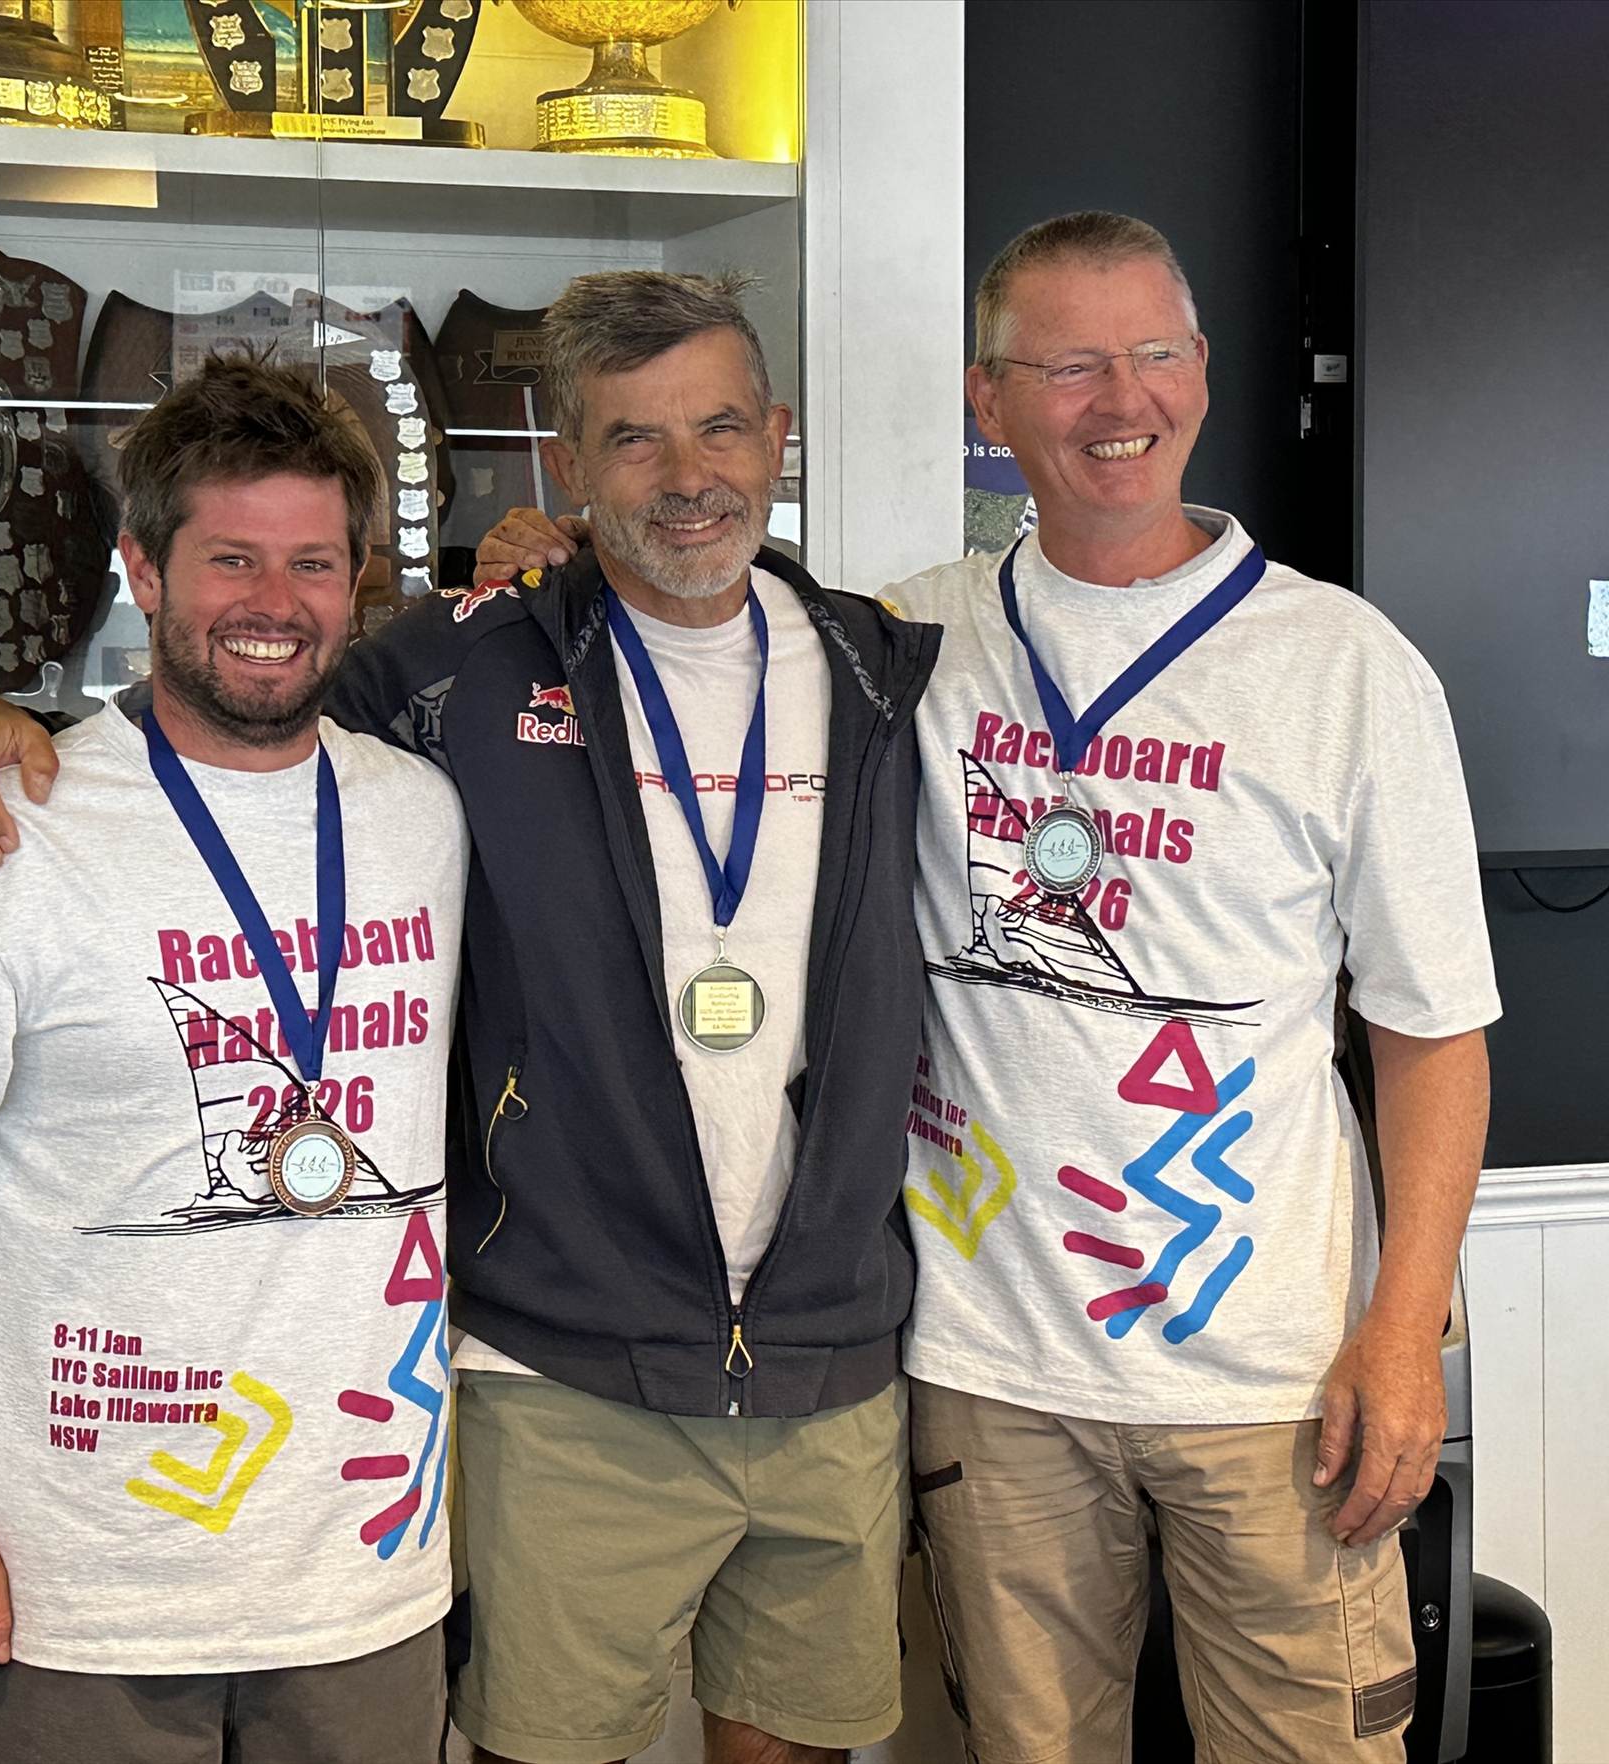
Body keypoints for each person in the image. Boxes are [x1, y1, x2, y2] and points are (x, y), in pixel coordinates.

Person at [475, 212, 1500, 1763]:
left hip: (1273, 1375)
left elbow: (1434, 1034)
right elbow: (689, 595)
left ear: (1204, 372)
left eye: (1153, 354)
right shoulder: (901, 642)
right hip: (986, 1366)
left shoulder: (1346, 666)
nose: (1120, 399)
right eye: (1069, 365)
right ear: (988, 399)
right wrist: (558, 565)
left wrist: (1404, 1331)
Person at [0, 271, 939, 1764]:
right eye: (633, 439)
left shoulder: (888, 669)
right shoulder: (459, 670)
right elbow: (238, 712)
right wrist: (14, 732)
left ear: (777, 437)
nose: (687, 476)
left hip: (830, 1352)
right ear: (567, 465)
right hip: (562, 1366)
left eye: (718, 429)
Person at [0, 354, 469, 1763]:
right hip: (76, 1593)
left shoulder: (425, 815)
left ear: (357, 581)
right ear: (144, 572)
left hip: (369, 1573)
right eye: (230, 560)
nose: (275, 603)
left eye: (313, 563)